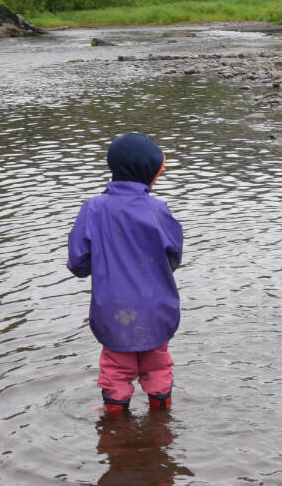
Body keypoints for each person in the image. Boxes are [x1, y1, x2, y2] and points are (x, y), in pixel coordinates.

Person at [67, 132, 184, 413]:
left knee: (116, 369)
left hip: (113, 308)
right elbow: (174, 255)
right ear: (148, 172)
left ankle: (116, 428)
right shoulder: (158, 209)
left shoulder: (92, 209)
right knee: (157, 363)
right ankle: (160, 419)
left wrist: (105, 262)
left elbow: (78, 263)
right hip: (157, 307)